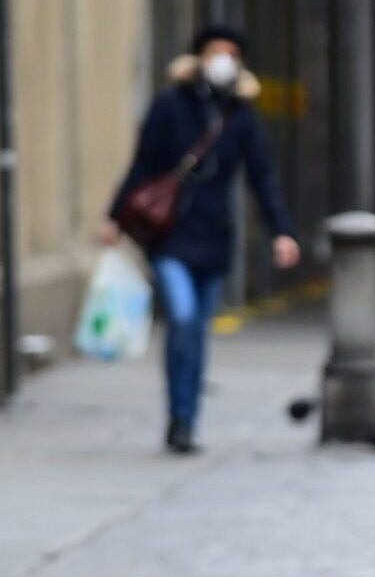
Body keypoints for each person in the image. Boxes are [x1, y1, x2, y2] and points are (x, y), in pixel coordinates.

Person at [102, 25, 299, 454]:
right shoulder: (170, 106)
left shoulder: (241, 116)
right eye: (215, 52)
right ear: (198, 58)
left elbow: (261, 178)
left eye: (231, 53)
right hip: (170, 234)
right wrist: (115, 215)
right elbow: (143, 163)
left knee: (198, 332)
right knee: (184, 318)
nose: (223, 60)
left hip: (214, 237)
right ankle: (178, 413)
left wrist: (281, 231)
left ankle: (186, 421)